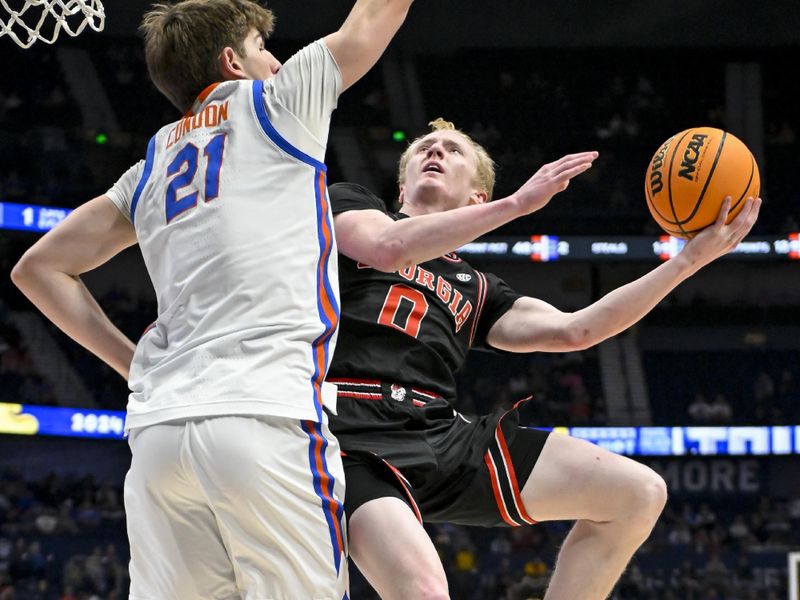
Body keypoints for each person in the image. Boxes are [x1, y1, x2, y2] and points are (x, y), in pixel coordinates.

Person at [10, 0, 417, 597]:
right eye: (262, 47)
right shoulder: (278, 100)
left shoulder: (150, 163)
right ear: (233, 60)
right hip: (263, 414)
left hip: (158, 436)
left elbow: (38, 269)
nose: (276, 61)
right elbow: (373, 18)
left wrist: (134, 367)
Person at [325, 118, 761, 599]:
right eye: (425, 148)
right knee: (424, 591)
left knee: (638, 494)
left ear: (477, 199)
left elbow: (578, 329)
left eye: (452, 150)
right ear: (403, 183)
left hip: (438, 432)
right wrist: (518, 205)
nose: (435, 151)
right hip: (351, 431)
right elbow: (387, 247)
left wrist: (687, 262)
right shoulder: (355, 207)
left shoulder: (478, 287)